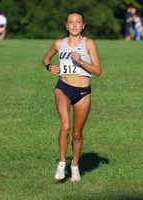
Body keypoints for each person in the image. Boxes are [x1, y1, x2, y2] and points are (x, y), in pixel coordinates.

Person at [42, 11, 102, 182]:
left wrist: (82, 62)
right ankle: (62, 163)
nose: (74, 25)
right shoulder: (59, 44)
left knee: (76, 133)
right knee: (66, 126)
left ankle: (74, 165)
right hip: (63, 88)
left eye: (78, 22)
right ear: (66, 25)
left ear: (83, 26)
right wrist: (50, 67)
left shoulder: (89, 43)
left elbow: (98, 71)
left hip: (83, 92)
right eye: (71, 22)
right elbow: (46, 58)